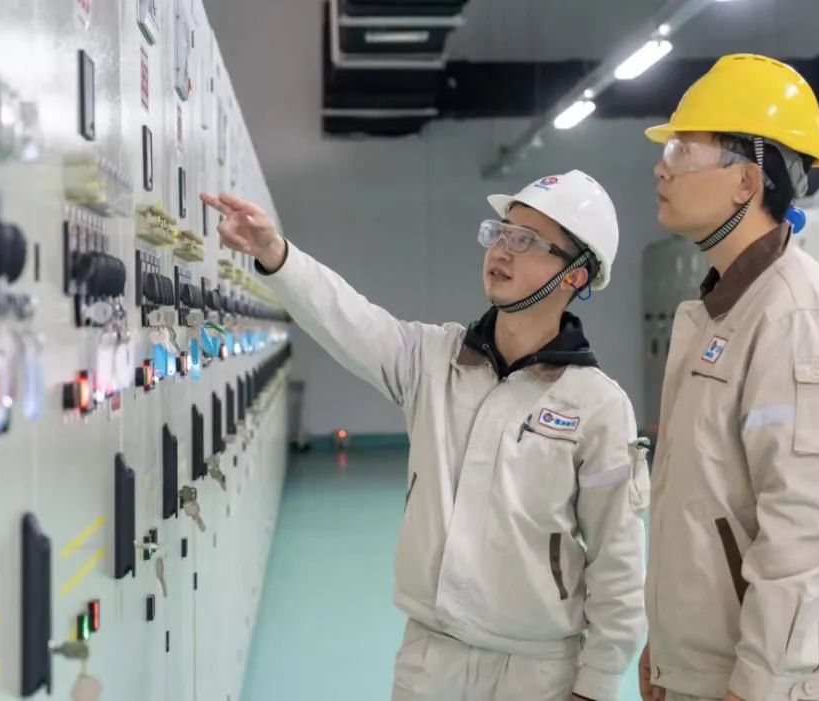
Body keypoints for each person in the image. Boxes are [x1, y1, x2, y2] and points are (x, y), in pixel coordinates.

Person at [201, 169, 649, 701]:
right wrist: (275, 254)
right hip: (430, 660)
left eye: (527, 241)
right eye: (501, 233)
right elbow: (349, 319)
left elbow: (618, 560)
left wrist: (597, 685)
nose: (501, 251)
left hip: (540, 672)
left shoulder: (596, 405)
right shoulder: (434, 360)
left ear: (575, 275)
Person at [637, 54, 819, 701]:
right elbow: (708, 504)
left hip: (765, 682)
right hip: (708, 669)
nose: (662, 167)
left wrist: (758, 684)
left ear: (746, 181)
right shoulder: (723, 310)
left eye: (684, 150)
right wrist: (669, 646)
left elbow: (806, 531)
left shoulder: (795, 318)